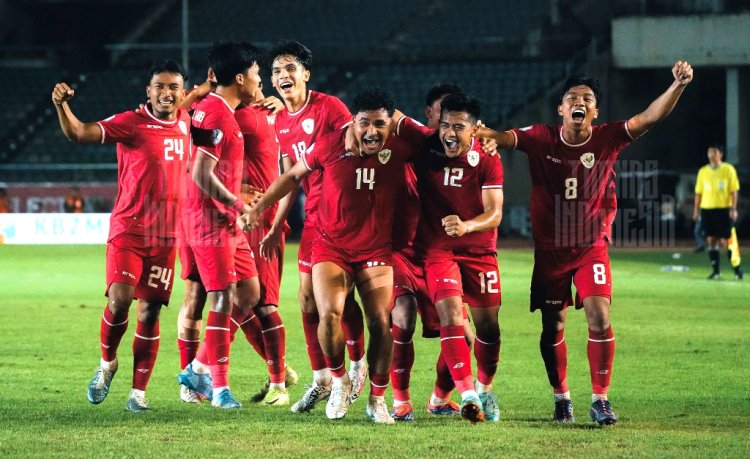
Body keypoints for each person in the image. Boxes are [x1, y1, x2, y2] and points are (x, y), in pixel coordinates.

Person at [479, 60, 694, 425]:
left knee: (599, 315)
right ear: (561, 108)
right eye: (572, 97)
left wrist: (677, 85)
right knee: (553, 327)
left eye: (588, 98)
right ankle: (562, 398)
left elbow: (648, 118)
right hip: (551, 251)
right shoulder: (540, 137)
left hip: (591, 245)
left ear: (595, 111)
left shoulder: (608, 136)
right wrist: (485, 135)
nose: (580, 101)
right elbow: (504, 138)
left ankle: (600, 400)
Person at [247, 88, 412, 424]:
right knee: (329, 315)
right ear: (353, 121)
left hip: (375, 248)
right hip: (330, 245)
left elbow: (446, 141)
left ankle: (377, 399)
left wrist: (485, 138)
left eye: (380, 124)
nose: (371, 131)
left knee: (382, 323)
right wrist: (260, 207)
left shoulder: (403, 147)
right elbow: (293, 175)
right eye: (364, 122)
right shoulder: (329, 145)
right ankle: (338, 382)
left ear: (391, 123)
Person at [52, 59, 191, 412]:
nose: (166, 92)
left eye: (174, 87)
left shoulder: (188, 121)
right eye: (159, 85)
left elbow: (212, 96)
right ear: (148, 90)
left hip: (166, 237)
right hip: (128, 230)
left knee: (151, 312)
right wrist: (61, 104)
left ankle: (138, 393)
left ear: (183, 93)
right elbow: (79, 133)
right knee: (120, 300)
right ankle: (107, 364)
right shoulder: (131, 123)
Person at [267, 40, 368, 413]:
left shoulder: (329, 108)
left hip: (343, 217)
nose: (283, 76)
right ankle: (322, 378)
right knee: (308, 299)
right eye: (276, 71)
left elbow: (358, 149)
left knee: (337, 300)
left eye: (291, 68)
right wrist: (277, 224)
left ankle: (356, 365)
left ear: (307, 73)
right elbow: (289, 178)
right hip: (314, 219)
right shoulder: (278, 119)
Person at [395, 94, 504, 423]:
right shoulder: (426, 144)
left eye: (459, 126)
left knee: (488, 330)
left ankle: (483, 391)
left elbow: (495, 213)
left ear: (475, 130)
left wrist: (467, 225)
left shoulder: (486, 158)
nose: (449, 133)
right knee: (450, 314)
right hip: (437, 250)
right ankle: (469, 394)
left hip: (480, 251)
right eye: (445, 125)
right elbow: (391, 113)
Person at [176, 41, 263, 409]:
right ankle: (220, 389)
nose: (261, 80)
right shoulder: (217, 115)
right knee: (222, 297)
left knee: (249, 294)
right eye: (258, 73)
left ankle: (197, 367)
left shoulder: (208, 107)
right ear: (240, 78)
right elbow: (200, 172)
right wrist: (236, 201)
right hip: (210, 220)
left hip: (224, 221)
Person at [694, 145, 743, 280]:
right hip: (707, 209)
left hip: (723, 210)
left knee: (728, 241)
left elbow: (734, 191)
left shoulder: (728, 169)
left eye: (714, 152)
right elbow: (698, 193)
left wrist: (733, 209)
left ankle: (737, 270)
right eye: (709, 152)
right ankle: (716, 271)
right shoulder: (703, 171)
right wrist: (696, 210)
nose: (711, 155)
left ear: (720, 154)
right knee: (711, 240)